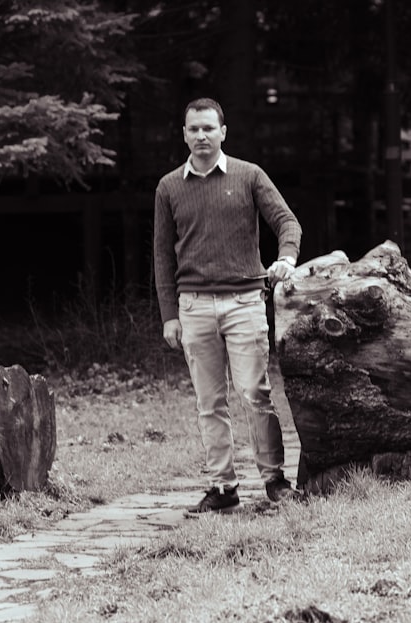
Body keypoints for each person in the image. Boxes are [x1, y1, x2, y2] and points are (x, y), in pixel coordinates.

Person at [153, 97, 303, 514]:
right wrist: (169, 315)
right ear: (184, 134)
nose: (201, 135)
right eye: (193, 129)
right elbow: (163, 255)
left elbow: (287, 221)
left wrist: (286, 258)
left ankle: (275, 480)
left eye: (208, 128)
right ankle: (223, 487)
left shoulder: (249, 176)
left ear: (223, 132)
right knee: (209, 402)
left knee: (256, 393)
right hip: (194, 306)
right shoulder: (169, 187)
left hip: (244, 303)